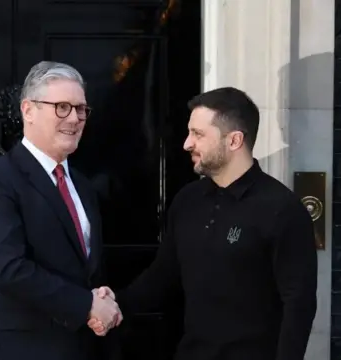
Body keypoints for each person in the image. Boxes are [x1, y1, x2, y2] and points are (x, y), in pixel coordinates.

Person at [89, 87, 318, 360]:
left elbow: (298, 305)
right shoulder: (188, 200)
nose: (187, 143)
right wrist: (112, 305)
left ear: (234, 141)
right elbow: (162, 276)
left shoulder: (282, 209)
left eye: (198, 134)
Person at [0, 61, 122, 360]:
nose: (74, 118)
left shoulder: (83, 187)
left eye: (81, 109)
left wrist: (102, 300)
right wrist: (86, 305)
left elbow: (85, 269)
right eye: (62, 107)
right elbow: (8, 269)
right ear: (28, 111)